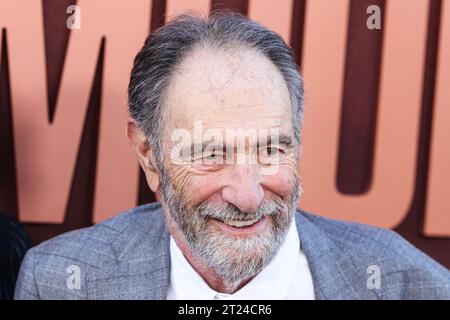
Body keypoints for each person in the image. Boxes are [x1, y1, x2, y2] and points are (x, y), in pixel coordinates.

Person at [14, 12, 450, 300]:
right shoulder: (62, 281)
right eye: (210, 153)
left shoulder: (407, 283)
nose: (247, 196)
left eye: (271, 148)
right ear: (149, 154)